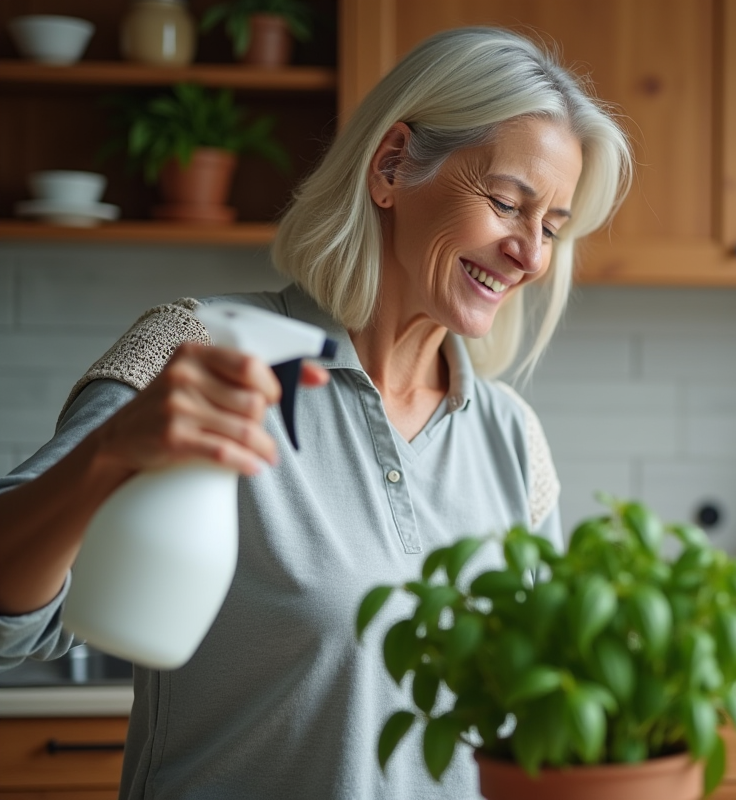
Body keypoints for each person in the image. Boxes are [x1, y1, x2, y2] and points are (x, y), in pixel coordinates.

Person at [0, 27, 632, 799]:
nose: (530, 254)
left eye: (552, 228)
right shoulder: (203, 354)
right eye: (507, 203)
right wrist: (107, 457)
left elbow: (533, 726)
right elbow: (14, 632)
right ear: (392, 165)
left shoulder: (511, 439)